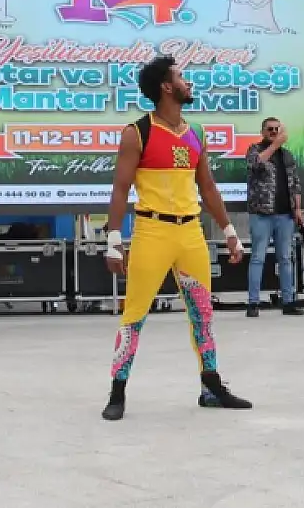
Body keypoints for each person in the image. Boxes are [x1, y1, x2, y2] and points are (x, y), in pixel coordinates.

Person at [101, 56, 251, 420]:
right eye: (182, 77)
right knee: (134, 314)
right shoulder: (138, 132)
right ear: (167, 87)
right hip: (152, 231)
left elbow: (208, 187)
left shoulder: (196, 132)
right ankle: (117, 391)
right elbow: (120, 189)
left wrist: (229, 231)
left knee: (202, 314)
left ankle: (210, 387)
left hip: (190, 233)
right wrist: (113, 240)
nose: (189, 83)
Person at [243, 116, 304, 317]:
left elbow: (295, 183)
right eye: (270, 129)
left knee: (286, 258)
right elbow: (255, 165)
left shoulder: (287, 155)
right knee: (258, 257)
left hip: (285, 214)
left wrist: (298, 209)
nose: (274, 132)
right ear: (263, 132)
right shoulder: (255, 150)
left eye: (277, 129)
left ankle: (289, 301)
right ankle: (253, 303)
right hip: (262, 213)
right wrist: (274, 145)